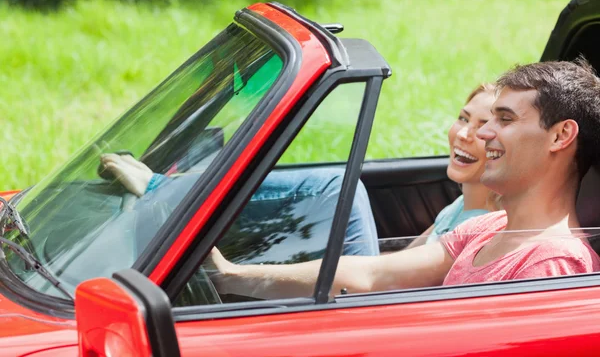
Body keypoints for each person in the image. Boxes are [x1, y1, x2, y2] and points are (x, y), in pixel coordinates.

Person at [205, 59, 600, 300]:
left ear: (561, 136)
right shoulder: (488, 226)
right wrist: (230, 277)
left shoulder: (554, 266)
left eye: (506, 120)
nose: (481, 134)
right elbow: (371, 274)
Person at [101, 153, 380, 258]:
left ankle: (171, 194)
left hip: (378, 311)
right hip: (401, 286)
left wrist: (232, 276)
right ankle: (173, 193)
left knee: (338, 188)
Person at [407, 83, 500, 248]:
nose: (462, 134)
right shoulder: (461, 204)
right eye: (463, 119)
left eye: (483, 127)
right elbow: (405, 256)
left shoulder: (481, 230)